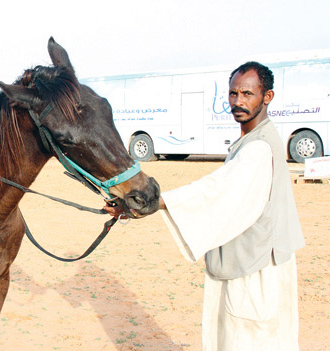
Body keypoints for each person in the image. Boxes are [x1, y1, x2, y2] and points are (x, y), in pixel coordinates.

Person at [105, 62, 305, 350]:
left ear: (267, 97)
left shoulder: (258, 149)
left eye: (247, 94)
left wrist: (154, 203)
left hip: (256, 270)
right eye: (233, 93)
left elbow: (217, 192)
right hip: (255, 260)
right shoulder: (254, 139)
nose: (238, 101)